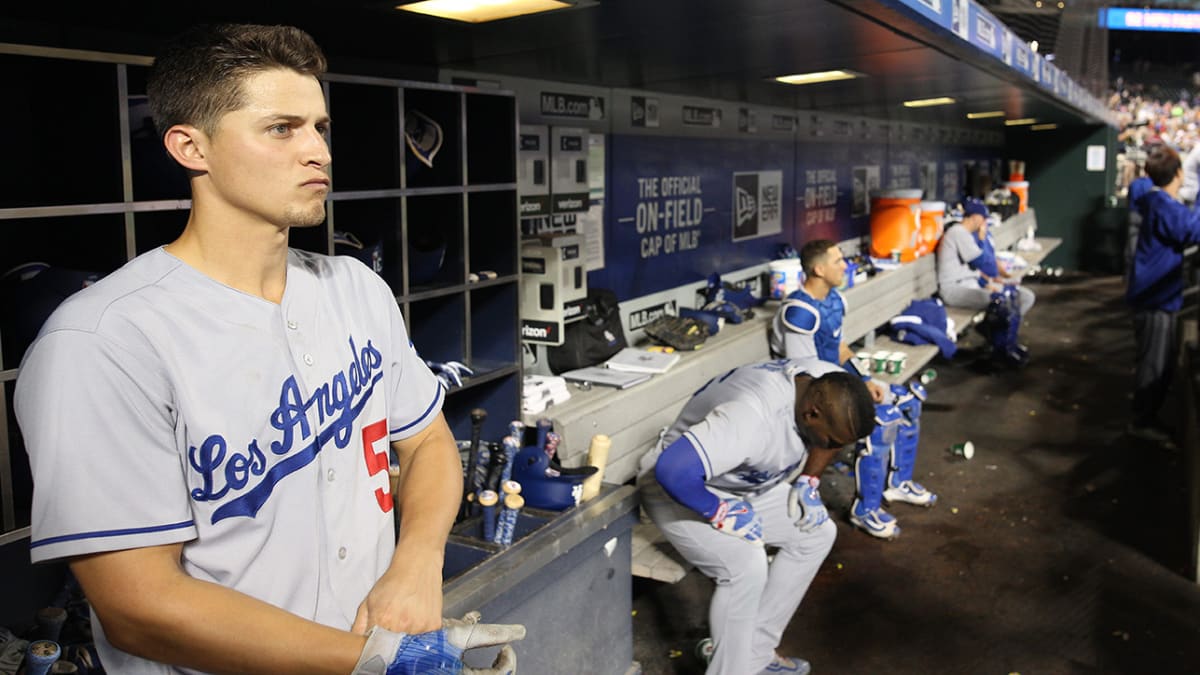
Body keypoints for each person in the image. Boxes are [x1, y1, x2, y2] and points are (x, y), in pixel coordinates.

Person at [14, 24, 521, 675]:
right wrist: (380, 661)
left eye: (320, 126)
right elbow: (139, 605)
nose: (318, 152)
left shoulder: (358, 289)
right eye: (282, 128)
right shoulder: (104, 340)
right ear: (190, 146)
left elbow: (425, 443)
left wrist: (416, 562)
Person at [636, 358, 876, 674]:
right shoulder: (752, 416)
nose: (833, 448)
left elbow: (837, 433)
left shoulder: (828, 384)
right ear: (811, 414)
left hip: (741, 486)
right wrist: (717, 510)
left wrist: (810, 479)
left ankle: (753, 656)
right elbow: (673, 470)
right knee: (745, 566)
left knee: (815, 535)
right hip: (684, 490)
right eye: (830, 441)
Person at [769, 240, 936, 540]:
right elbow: (803, 374)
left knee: (908, 400)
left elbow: (841, 348)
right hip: (812, 399)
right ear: (818, 269)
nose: (844, 266)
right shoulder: (799, 311)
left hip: (838, 383)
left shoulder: (834, 300)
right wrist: (854, 393)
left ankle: (898, 483)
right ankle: (864, 510)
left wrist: (866, 380)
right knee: (881, 418)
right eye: (837, 261)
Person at [1126, 144, 1200, 443]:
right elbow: (1193, 230)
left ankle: (1146, 417)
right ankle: (1141, 422)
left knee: (1160, 363)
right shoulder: (1162, 205)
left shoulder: (1158, 201)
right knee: (1153, 364)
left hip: (1156, 296)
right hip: (1154, 299)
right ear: (1178, 173)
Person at [937, 198, 1033, 367]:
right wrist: (982, 240)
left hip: (970, 285)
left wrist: (984, 282)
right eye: (983, 218)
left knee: (1024, 296)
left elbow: (978, 271)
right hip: (955, 290)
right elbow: (985, 265)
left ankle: (1001, 340)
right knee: (1002, 300)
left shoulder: (965, 234)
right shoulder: (958, 232)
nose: (984, 222)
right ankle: (999, 351)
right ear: (975, 217)